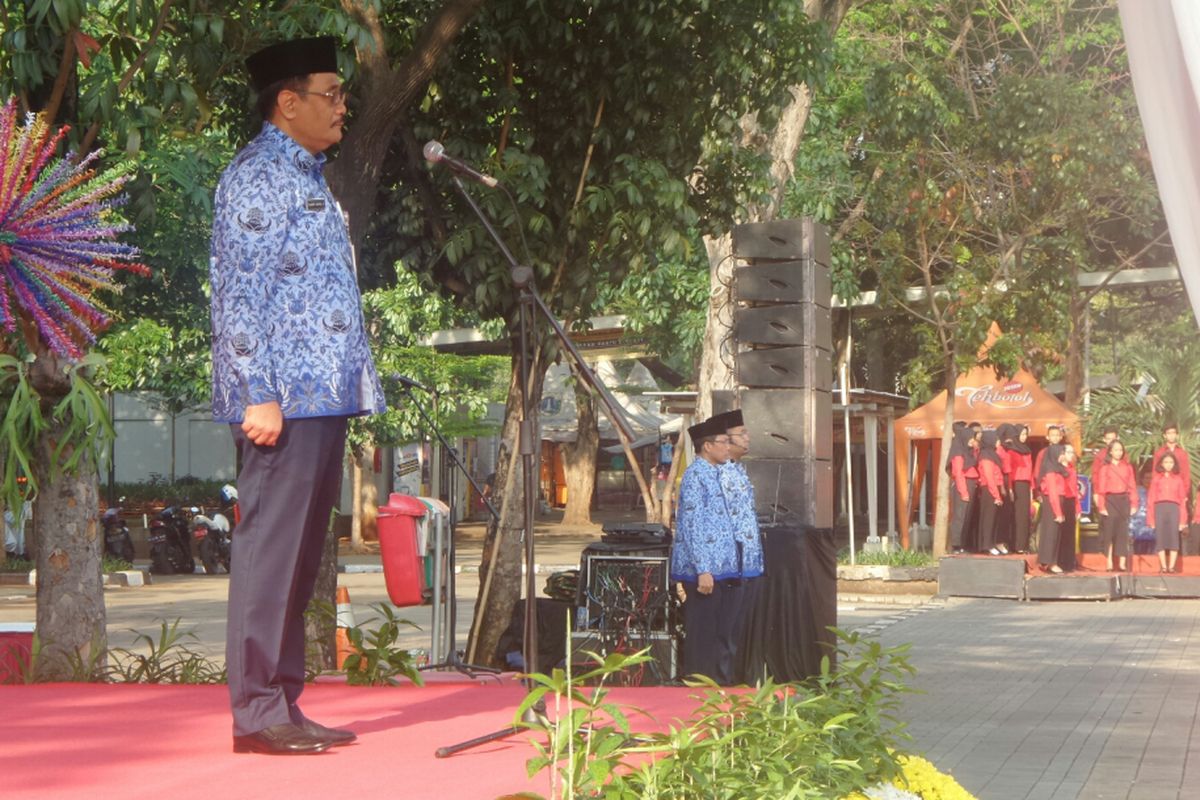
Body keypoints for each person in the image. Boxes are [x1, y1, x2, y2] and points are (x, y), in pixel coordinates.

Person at [210, 36, 385, 756]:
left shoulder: (307, 176)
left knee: (299, 557)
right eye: (332, 94)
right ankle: (256, 710)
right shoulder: (257, 177)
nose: (343, 107)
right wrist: (257, 393)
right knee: (269, 553)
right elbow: (238, 299)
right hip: (281, 400)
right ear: (288, 103)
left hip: (322, 396)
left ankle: (281, 702)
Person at [670, 418, 751, 685]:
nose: (728, 446)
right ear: (706, 446)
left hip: (727, 566)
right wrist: (703, 569)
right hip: (704, 571)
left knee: (725, 633)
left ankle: (722, 685)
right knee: (704, 633)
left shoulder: (722, 473)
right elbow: (692, 526)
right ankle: (699, 687)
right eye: (723, 441)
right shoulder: (695, 477)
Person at [709, 409, 765, 669]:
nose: (747, 438)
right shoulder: (721, 473)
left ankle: (734, 676)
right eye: (741, 434)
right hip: (731, 562)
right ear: (726, 441)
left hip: (748, 560)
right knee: (726, 628)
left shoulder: (739, 471)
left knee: (738, 627)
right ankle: (721, 682)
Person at [1094, 440, 1137, 572]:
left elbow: (1132, 486)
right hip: (1110, 500)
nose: (1118, 452)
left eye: (1120, 450)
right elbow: (1101, 489)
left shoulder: (1127, 467)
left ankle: (1122, 563)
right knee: (1110, 532)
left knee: (1122, 532)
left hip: (1123, 500)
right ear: (1110, 452)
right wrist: (1102, 507)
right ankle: (1109, 562)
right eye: (1116, 450)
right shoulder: (1105, 468)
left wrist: (1134, 504)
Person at [1147, 452, 1189, 574]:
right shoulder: (1156, 479)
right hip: (1159, 508)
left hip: (1174, 508)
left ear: (1174, 464)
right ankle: (1163, 566)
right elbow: (1151, 499)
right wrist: (1151, 518)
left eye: (1171, 462)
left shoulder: (1178, 479)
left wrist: (1183, 520)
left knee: (1173, 537)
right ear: (1161, 464)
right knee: (1160, 537)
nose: (1168, 465)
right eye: (1166, 462)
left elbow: (1182, 500)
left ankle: (1171, 567)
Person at [1037, 444, 1072, 574]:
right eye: (1061, 452)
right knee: (1051, 532)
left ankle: (1049, 561)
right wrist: (1058, 513)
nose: (1063, 455)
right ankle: (1050, 562)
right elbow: (1052, 493)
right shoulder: (1050, 470)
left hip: (1058, 501)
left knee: (1054, 532)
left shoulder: (1058, 468)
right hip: (1053, 503)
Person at [947, 425, 980, 553]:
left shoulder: (968, 452)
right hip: (963, 485)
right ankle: (956, 545)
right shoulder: (958, 453)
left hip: (970, 484)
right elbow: (958, 473)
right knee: (960, 516)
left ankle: (962, 544)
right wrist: (964, 492)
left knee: (966, 516)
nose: (972, 440)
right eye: (970, 438)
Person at [976, 431, 1007, 555]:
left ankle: (993, 542)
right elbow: (989, 478)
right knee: (989, 518)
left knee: (995, 518)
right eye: (995, 439)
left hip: (996, 489)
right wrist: (996, 495)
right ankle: (987, 544)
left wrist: (1002, 488)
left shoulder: (992, 454)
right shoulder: (985, 456)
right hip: (989, 491)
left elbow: (998, 473)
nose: (998, 441)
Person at [1005, 425, 1034, 553]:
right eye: (1022, 434)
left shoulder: (1027, 450)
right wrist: (1010, 488)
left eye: (1025, 434)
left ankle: (1024, 544)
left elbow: (1030, 471)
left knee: (1025, 515)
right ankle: (1018, 545)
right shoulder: (1011, 451)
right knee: (1018, 515)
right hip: (1017, 484)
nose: (1024, 437)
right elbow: (1009, 471)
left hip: (1026, 484)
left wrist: (1032, 488)